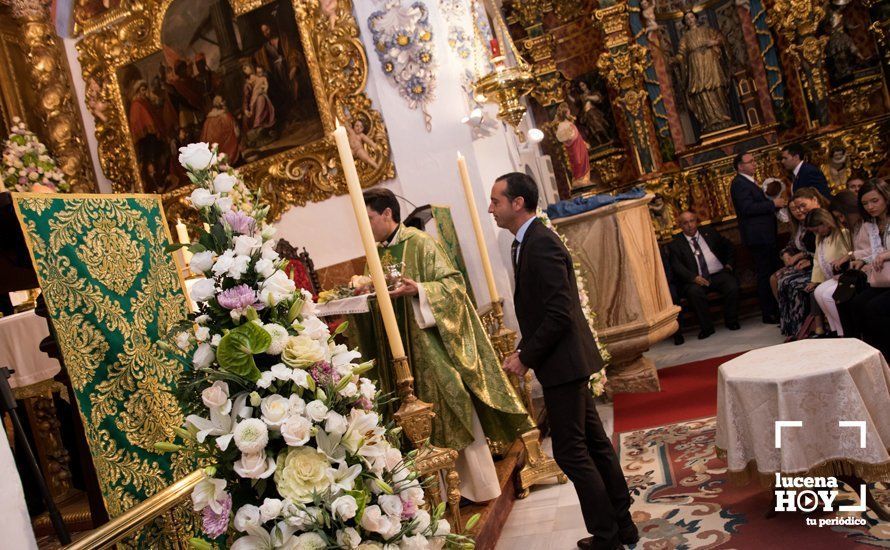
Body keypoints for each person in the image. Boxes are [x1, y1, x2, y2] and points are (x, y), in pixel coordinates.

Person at [489, 173, 637, 550]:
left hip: (563, 363)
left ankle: (608, 536)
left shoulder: (539, 243)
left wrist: (526, 356)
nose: (491, 208)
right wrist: (525, 349)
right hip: (564, 360)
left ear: (518, 203)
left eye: (496, 201)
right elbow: (545, 311)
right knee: (595, 444)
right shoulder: (526, 243)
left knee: (572, 453)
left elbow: (560, 314)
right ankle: (622, 527)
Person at [361, 188, 533, 503]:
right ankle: (431, 497)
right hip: (399, 354)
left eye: (368, 218)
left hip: (431, 347)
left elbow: (454, 287)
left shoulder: (421, 244)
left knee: (451, 404)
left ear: (387, 214)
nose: (365, 226)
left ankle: (477, 488)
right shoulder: (374, 256)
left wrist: (420, 291)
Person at [730, 151, 784, 323]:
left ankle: (777, 308)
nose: (754, 164)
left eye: (754, 161)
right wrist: (772, 204)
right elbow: (747, 208)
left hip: (764, 235)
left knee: (771, 272)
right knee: (765, 274)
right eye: (750, 161)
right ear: (740, 166)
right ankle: (769, 312)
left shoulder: (748, 182)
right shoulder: (739, 184)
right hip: (758, 237)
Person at [667, 211, 739, 339]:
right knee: (694, 293)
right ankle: (707, 328)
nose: (690, 225)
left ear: (696, 221)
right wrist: (693, 278)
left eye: (692, 221)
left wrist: (729, 264)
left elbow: (728, 246)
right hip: (694, 280)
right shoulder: (676, 243)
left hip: (717, 274)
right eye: (685, 223)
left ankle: (731, 320)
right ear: (680, 226)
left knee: (732, 285)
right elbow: (677, 266)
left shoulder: (709, 232)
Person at [775, 188, 829, 337]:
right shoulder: (799, 225)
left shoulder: (823, 219)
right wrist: (786, 254)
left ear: (815, 200)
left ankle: (803, 327)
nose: (799, 211)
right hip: (813, 263)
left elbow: (823, 250)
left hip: (822, 266)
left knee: (791, 283)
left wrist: (807, 258)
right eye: (794, 209)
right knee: (781, 279)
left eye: (802, 206)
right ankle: (792, 326)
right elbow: (792, 245)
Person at [847, 179, 890, 356]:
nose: (870, 207)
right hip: (882, 278)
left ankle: (885, 355)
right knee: (856, 303)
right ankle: (869, 354)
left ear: (886, 197)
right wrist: (861, 260)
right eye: (865, 203)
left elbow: (881, 252)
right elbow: (868, 251)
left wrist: (886, 255)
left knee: (875, 307)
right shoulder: (869, 224)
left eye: (875, 201)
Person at [673, 11, 733, 133]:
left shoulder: (707, 30)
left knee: (717, 85)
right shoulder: (685, 38)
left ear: (696, 18)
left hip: (710, 60)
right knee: (701, 89)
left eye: (691, 17)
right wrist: (674, 59)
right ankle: (710, 119)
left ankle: (722, 115)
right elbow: (681, 54)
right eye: (687, 18)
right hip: (695, 63)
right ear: (685, 23)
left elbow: (721, 39)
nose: (690, 19)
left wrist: (714, 42)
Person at [804, 208, 852, 337]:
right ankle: (835, 329)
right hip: (830, 277)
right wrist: (816, 280)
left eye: (817, 229)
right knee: (818, 292)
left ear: (825, 222)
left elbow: (849, 254)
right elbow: (817, 260)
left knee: (827, 295)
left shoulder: (842, 233)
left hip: (845, 275)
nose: (816, 233)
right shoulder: (819, 238)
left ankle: (844, 330)